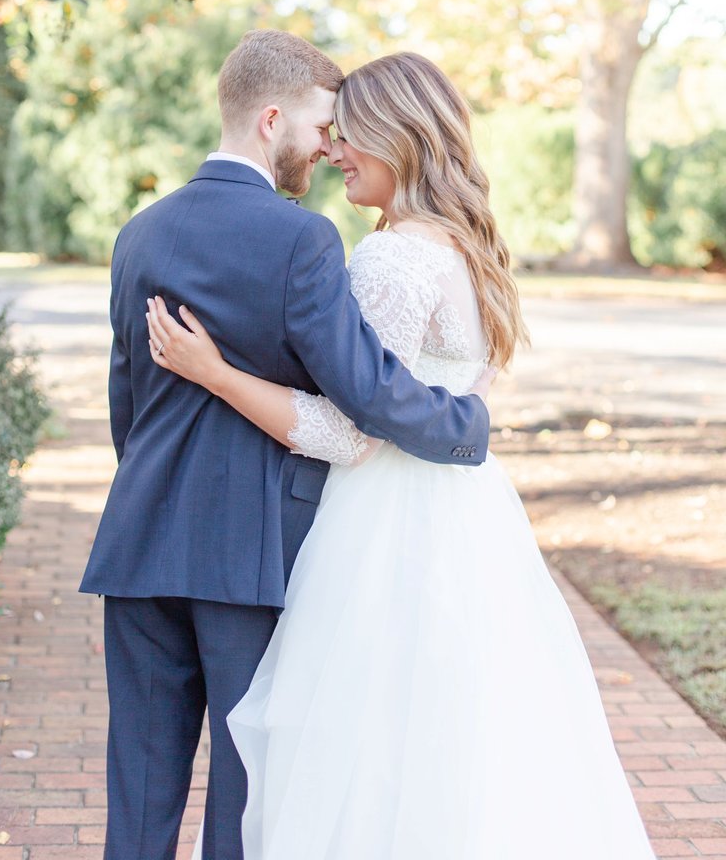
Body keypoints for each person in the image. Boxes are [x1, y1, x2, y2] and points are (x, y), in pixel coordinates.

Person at [147, 51, 657, 860]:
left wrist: (216, 373)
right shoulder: (466, 247)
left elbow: (351, 430)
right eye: (332, 132)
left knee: (365, 748)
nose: (335, 152)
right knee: (460, 742)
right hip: (469, 514)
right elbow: (464, 393)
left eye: (350, 136)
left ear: (400, 138)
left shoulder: (392, 255)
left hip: (385, 524)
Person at [80, 31, 491, 860]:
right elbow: (365, 391)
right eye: (320, 126)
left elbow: (128, 407)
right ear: (273, 120)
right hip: (251, 556)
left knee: (140, 792)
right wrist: (465, 424)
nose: (328, 147)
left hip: (139, 547)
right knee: (247, 796)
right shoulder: (302, 240)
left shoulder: (139, 233)